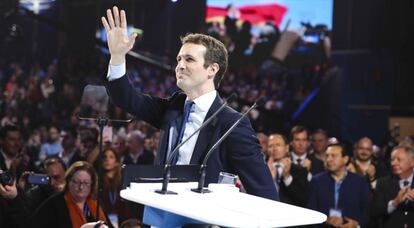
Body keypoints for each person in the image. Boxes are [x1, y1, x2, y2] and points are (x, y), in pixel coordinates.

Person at [102, 6, 277, 200]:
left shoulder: (233, 124)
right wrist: (117, 57)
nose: (180, 66)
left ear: (212, 69)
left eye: (189, 59)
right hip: (160, 214)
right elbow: (126, 98)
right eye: (179, 59)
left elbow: (264, 191)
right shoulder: (173, 106)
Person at [307, 143, 370, 227]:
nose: (329, 159)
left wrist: (356, 224)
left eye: (333, 156)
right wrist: (325, 220)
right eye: (327, 156)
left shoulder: (359, 182)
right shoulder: (317, 181)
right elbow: (311, 210)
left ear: (345, 159)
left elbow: (367, 211)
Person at [32, 161, 111, 228]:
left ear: (92, 184)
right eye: (76, 182)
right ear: (68, 181)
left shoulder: (96, 205)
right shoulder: (53, 204)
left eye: (86, 183)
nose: (81, 187)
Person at [370, 145, 414, 227]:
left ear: (412, 162)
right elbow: (374, 212)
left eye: (399, 160)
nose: (393, 163)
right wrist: (394, 203)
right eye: (392, 160)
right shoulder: (383, 183)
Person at [267, 134, 308, 207]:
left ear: (286, 148)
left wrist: (287, 177)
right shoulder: (262, 170)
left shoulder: (299, 170)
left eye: (278, 145)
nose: (274, 148)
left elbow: (303, 198)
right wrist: (269, 179)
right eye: (270, 146)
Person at [101, 148, 132, 225]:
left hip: (122, 220)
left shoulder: (123, 181)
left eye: (111, 157)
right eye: (104, 157)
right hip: (103, 220)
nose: (107, 160)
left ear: (117, 162)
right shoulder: (99, 181)